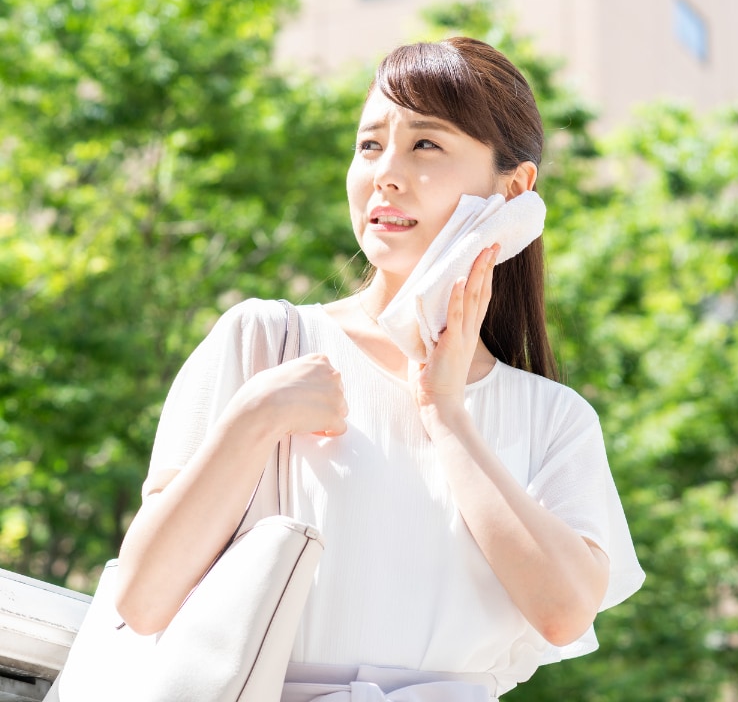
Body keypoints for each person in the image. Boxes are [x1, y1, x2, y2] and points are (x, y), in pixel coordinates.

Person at [111, 37, 645, 699]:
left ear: (513, 187)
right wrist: (255, 418)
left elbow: (564, 613)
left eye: (426, 145)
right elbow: (141, 601)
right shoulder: (268, 342)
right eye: (370, 145)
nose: (384, 173)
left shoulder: (552, 417)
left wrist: (448, 416)